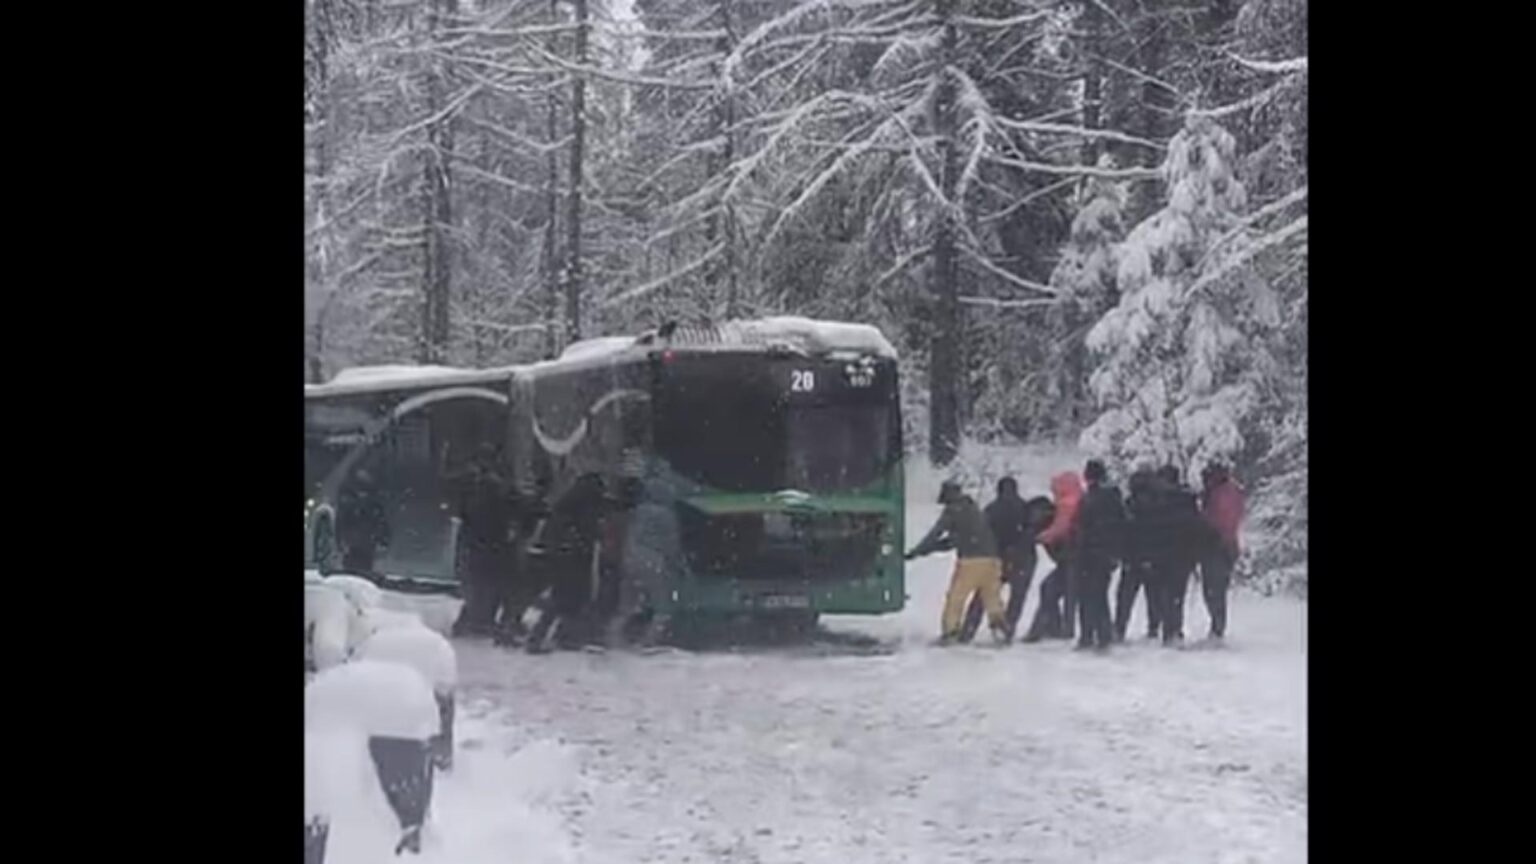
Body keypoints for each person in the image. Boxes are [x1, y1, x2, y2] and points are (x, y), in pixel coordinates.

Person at [906, 480, 1007, 645]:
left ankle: (950, 632)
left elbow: (936, 535)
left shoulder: (953, 510)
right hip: (993, 559)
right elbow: (955, 540)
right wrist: (930, 549)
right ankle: (1000, 629)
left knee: (956, 598)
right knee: (991, 598)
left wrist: (918, 551)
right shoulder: (973, 508)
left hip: (970, 561)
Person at [525, 473, 609, 654]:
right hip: (575, 555)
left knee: (562, 596)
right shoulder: (587, 506)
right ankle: (556, 636)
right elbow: (590, 530)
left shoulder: (566, 503)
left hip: (561, 554)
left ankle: (549, 636)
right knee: (570, 596)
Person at [961, 479, 1051, 643]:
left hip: (998, 559)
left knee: (984, 596)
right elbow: (1033, 532)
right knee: (1017, 598)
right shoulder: (1026, 508)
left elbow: (981, 535)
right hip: (1024, 559)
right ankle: (1007, 631)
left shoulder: (991, 510)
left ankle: (968, 631)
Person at [449, 445, 516, 639]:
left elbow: (464, 513)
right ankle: (478, 621)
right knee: (486, 585)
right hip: (487, 544)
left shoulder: (474, 484)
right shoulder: (491, 489)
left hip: (477, 543)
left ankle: (475, 621)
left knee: (479, 586)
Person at [1020, 471, 1084, 642]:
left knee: (1060, 591)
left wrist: (1040, 537)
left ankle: (1056, 630)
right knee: (1054, 589)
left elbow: (1060, 528)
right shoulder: (1078, 501)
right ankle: (1053, 627)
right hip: (1073, 558)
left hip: (1072, 558)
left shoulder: (1068, 504)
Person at [1073, 460, 1127, 651]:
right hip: (1105, 554)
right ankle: (1102, 635)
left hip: (1089, 553)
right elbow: (1122, 527)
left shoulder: (1089, 499)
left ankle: (1088, 635)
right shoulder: (1114, 498)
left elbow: (1081, 526)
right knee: (1099, 595)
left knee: (1087, 596)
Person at [1145, 465, 1202, 646]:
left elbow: (1151, 530)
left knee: (1164, 594)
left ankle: (1167, 630)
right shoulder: (1187, 501)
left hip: (1162, 555)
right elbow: (1195, 528)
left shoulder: (1158, 501)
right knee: (1176, 594)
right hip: (1182, 555)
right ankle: (1174, 630)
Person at [1199, 462, 1245, 641]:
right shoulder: (1227, 491)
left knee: (1214, 589)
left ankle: (1217, 628)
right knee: (1214, 589)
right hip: (1222, 546)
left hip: (1218, 546)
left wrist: (1206, 528)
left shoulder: (1224, 493)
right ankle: (1217, 626)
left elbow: (1223, 520)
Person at [1116, 467, 1162, 641]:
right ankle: (1154, 628)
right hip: (1151, 558)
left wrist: (1124, 555)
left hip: (1132, 558)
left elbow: (1123, 532)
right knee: (1153, 597)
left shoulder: (1129, 505)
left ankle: (1120, 628)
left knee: (1125, 597)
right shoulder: (1159, 504)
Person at [337, 468, 389, 576]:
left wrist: (382, 540)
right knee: (354, 571)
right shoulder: (352, 507)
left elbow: (382, 525)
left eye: (364, 492)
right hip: (357, 546)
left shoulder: (372, 507)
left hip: (364, 546)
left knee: (361, 571)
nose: (362, 495)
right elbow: (341, 524)